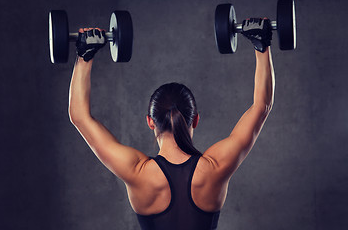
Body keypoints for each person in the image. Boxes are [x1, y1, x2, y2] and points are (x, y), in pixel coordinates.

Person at [68, 18, 274, 230]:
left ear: (150, 122)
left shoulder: (137, 172)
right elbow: (262, 107)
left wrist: (85, 55)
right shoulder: (215, 167)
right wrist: (261, 45)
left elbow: (79, 117)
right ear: (195, 119)